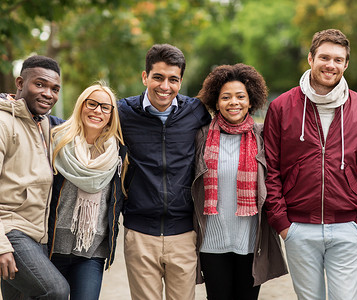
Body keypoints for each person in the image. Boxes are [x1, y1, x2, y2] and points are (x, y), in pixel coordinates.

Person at [263, 29, 357, 300]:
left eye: (338, 59)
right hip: (298, 228)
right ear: (310, 58)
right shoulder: (281, 107)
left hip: (348, 226)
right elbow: (271, 168)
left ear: (346, 64)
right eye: (324, 57)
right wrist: (282, 223)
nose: (331, 65)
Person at [118, 43, 211, 300]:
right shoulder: (123, 112)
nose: (165, 86)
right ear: (145, 76)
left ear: (181, 81)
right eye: (158, 77)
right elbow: (82, 124)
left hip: (183, 233)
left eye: (173, 79)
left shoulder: (196, 112)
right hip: (139, 233)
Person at [192, 63, 288, 300]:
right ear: (216, 102)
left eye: (240, 96)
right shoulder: (201, 136)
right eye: (226, 97)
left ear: (250, 100)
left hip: (250, 240)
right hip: (211, 241)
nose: (233, 102)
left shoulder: (263, 135)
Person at [0, 55, 70, 299]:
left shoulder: (45, 125)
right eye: (40, 84)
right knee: (56, 291)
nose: (48, 93)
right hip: (10, 231)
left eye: (54, 89)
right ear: (20, 83)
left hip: (37, 234)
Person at [47, 82, 125, 299]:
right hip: (52, 247)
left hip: (92, 252)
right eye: (92, 104)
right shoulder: (56, 141)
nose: (97, 110)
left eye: (105, 107)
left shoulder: (118, 154)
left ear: (111, 114)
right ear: (81, 106)